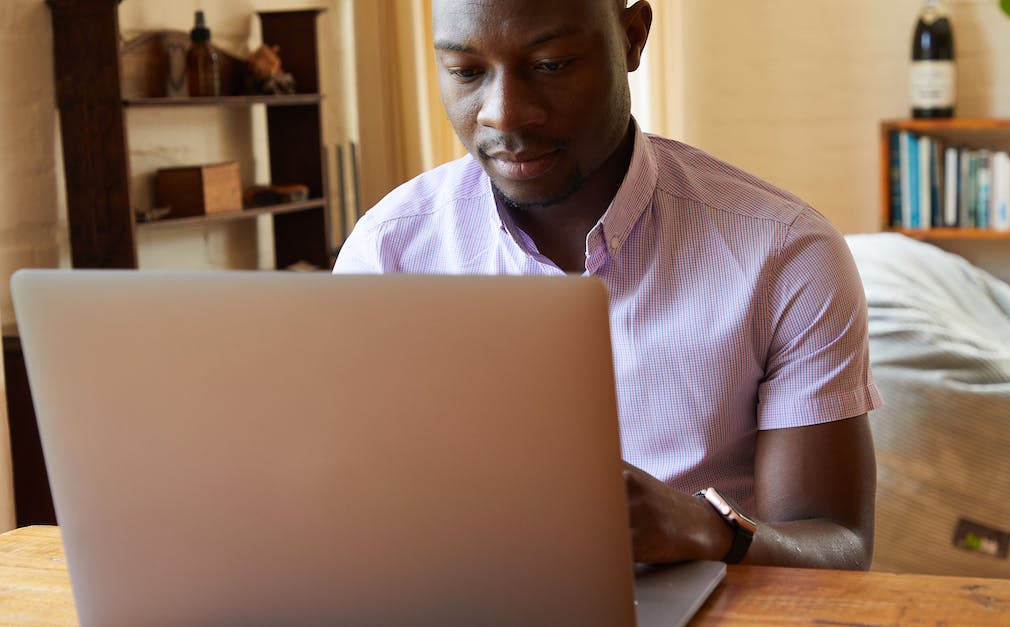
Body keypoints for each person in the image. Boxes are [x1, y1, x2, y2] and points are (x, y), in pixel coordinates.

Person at [334, 0, 882, 570]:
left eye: (550, 64)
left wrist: (707, 529)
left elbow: (838, 546)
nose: (505, 115)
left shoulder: (786, 254)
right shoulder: (388, 250)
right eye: (466, 72)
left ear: (632, 37)